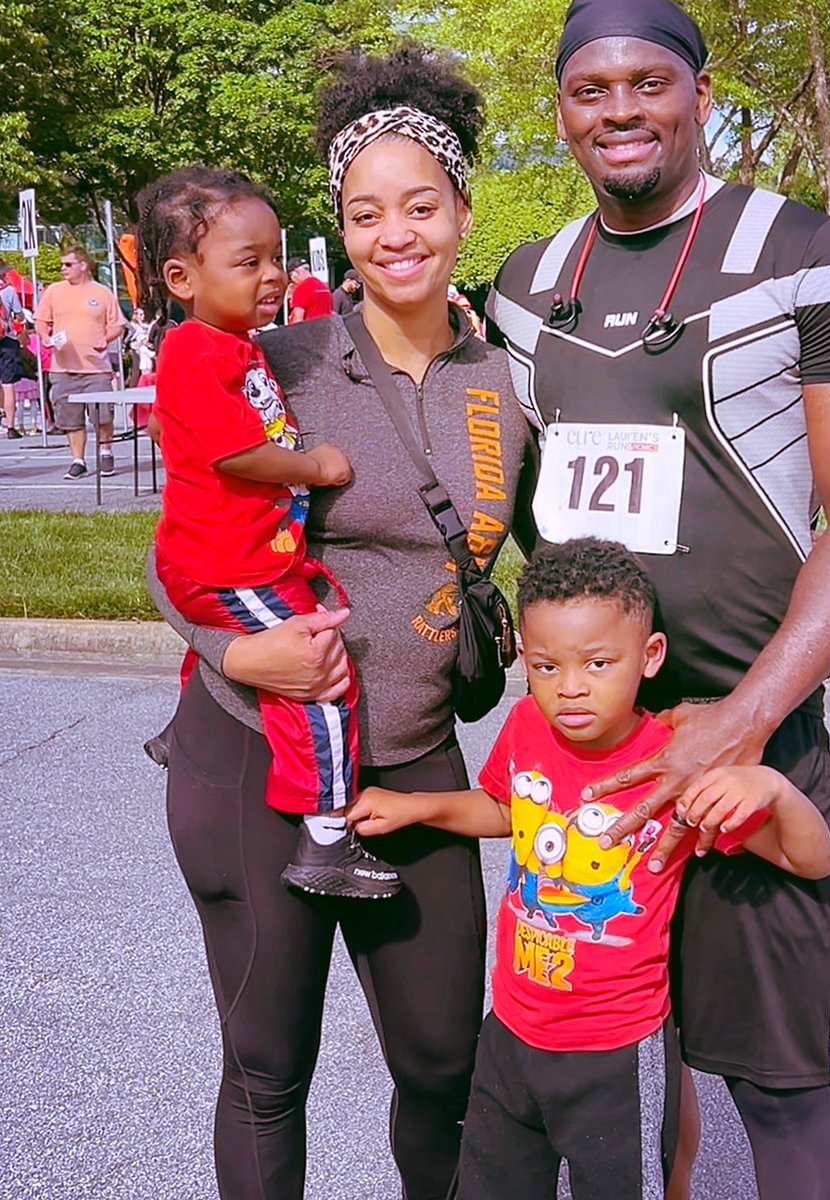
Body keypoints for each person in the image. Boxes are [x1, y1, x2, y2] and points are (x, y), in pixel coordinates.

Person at [487, 2, 830, 1198]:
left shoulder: (815, 255)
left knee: (777, 1085)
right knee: (618, 1071)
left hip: (737, 741)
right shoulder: (528, 280)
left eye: (649, 83)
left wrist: (747, 720)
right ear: (562, 111)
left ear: (702, 92)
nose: (621, 110)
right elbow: (496, 493)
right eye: (591, 89)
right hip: (588, 750)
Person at [145, 45, 533, 1200]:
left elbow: (576, 566)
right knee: (270, 1071)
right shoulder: (276, 362)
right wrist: (232, 646)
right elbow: (173, 553)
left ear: (462, 210)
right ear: (343, 232)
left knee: (444, 1066)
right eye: (365, 213)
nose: (395, 233)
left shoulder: (506, 384)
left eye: (421, 204)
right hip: (258, 753)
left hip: (416, 766)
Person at [349, 537, 830, 1200]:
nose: (570, 688)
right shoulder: (525, 726)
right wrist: (416, 806)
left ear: (649, 656)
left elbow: (809, 858)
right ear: (524, 656)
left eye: (599, 663)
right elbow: (505, 807)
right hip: (511, 1035)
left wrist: (775, 790)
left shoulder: (675, 763)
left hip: (615, 1057)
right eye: (546, 667)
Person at [137, 165, 401, 900]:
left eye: (277, 257)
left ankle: (179, 733)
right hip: (235, 563)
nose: (274, 276)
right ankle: (326, 835)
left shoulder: (231, 344)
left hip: (229, 548)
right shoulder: (197, 348)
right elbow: (234, 452)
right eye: (248, 262)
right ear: (181, 277)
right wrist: (313, 465)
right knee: (320, 675)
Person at [34, 246, 125, 479]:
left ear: (83, 265)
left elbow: (117, 324)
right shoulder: (54, 291)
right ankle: (78, 460)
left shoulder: (102, 292)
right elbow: (42, 321)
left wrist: (106, 339)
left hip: (96, 368)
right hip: (62, 367)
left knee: (103, 416)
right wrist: (45, 337)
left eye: (68, 264)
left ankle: (105, 451)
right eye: (62, 264)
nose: (63, 269)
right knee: (70, 418)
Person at [0, 260, 25, 438]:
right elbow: (19, 315)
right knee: (8, 385)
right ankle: (10, 426)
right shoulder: (9, 291)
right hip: (7, 340)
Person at [286, 257, 333, 322]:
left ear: (296, 272)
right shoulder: (323, 287)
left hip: (310, 330)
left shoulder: (301, 289)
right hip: (326, 329)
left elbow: (297, 321)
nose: (292, 279)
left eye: (290, 275)